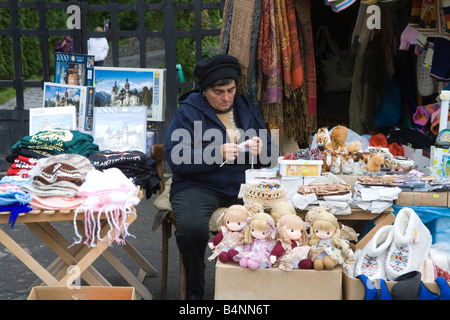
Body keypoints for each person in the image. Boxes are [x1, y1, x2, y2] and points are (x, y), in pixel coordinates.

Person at [163, 54, 278, 300]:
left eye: (231, 90)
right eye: (218, 92)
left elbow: (271, 157)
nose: (226, 97)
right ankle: (195, 291)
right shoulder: (189, 112)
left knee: (275, 222)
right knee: (192, 230)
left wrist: (263, 149)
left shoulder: (248, 108)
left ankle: (254, 293)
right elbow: (175, 156)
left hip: (243, 186)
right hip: (198, 186)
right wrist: (215, 152)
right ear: (204, 91)